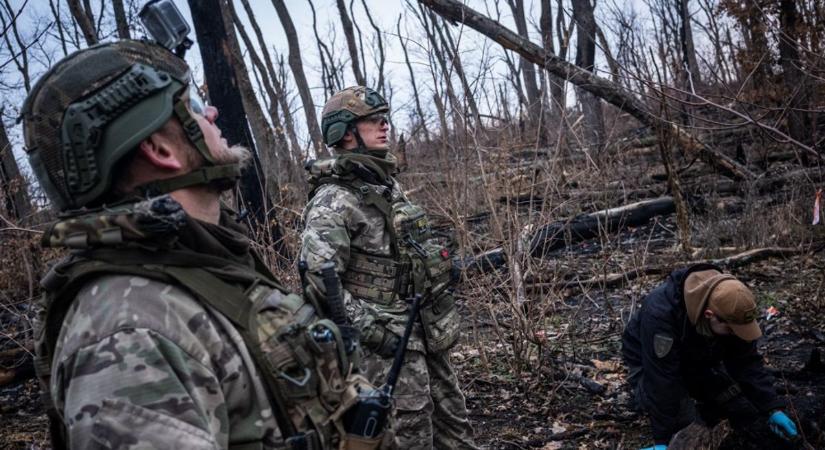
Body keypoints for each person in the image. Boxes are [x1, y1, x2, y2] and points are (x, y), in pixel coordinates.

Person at [22, 40, 368, 449]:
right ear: (160, 149)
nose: (213, 112)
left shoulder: (201, 263)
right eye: (195, 105)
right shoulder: (128, 332)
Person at [299, 86, 478, 449]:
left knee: (454, 423)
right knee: (411, 433)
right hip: (385, 344)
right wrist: (375, 332)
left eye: (385, 119)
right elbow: (318, 281)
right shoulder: (334, 200)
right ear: (346, 132)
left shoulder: (384, 184)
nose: (385, 127)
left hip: (423, 326)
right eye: (374, 121)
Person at [622, 264, 799, 449]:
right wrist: (662, 441)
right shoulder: (660, 314)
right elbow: (662, 379)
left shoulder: (733, 304)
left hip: (698, 355)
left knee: (744, 409)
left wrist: (771, 407)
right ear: (710, 315)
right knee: (687, 427)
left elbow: (746, 361)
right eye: (731, 329)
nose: (735, 334)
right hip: (649, 360)